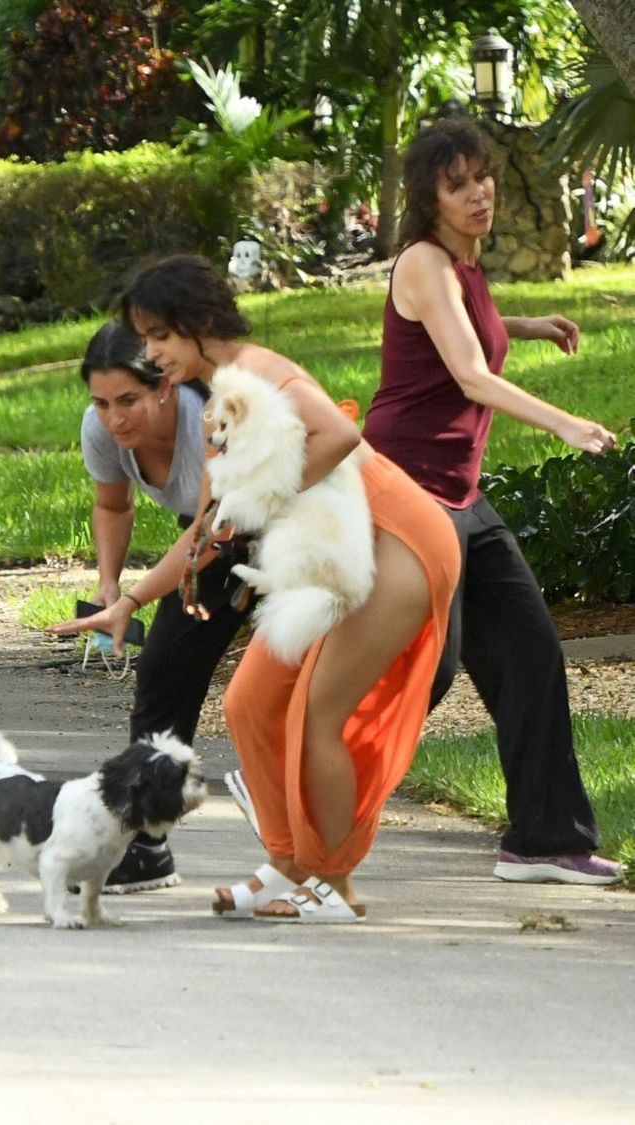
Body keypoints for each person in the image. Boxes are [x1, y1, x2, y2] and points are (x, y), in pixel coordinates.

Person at [51, 255, 461, 923]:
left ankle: (334, 883)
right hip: (339, 543)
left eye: (158, 335)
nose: (150, 353)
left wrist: (263, 497)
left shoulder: (258, 370)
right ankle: (290, 861)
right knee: (249, 703)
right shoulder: (221, 399)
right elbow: (204, 535)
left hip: (396, 538)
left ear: (199, 323)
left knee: (316, 716)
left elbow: (340, 432)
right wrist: (128, 599)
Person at [361, 118, 621, 885]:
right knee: (426, 671)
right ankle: (300, 781)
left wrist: (527, 325)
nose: (479, 194)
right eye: (459, 184)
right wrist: (564, 421)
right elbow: (470, 376)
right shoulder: (422, 262)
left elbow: (462, 336)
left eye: (485, 178)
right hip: (408, 494)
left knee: (530, 650)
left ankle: (544, 839)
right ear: (428, 197)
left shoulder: (462, 268)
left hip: (460, 498)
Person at [70, 320, 254, 891]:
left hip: (277, 530)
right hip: (206, 540)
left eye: (128, 399)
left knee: (284, 688)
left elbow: (213, 529)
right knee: (163, 675)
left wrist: (133, 598)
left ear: (165, 387)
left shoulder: (211, 418)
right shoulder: (102, 431)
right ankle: (145, 843)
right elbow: (113, 506)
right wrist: (108, 583)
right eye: (101, 402)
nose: (113, 417)